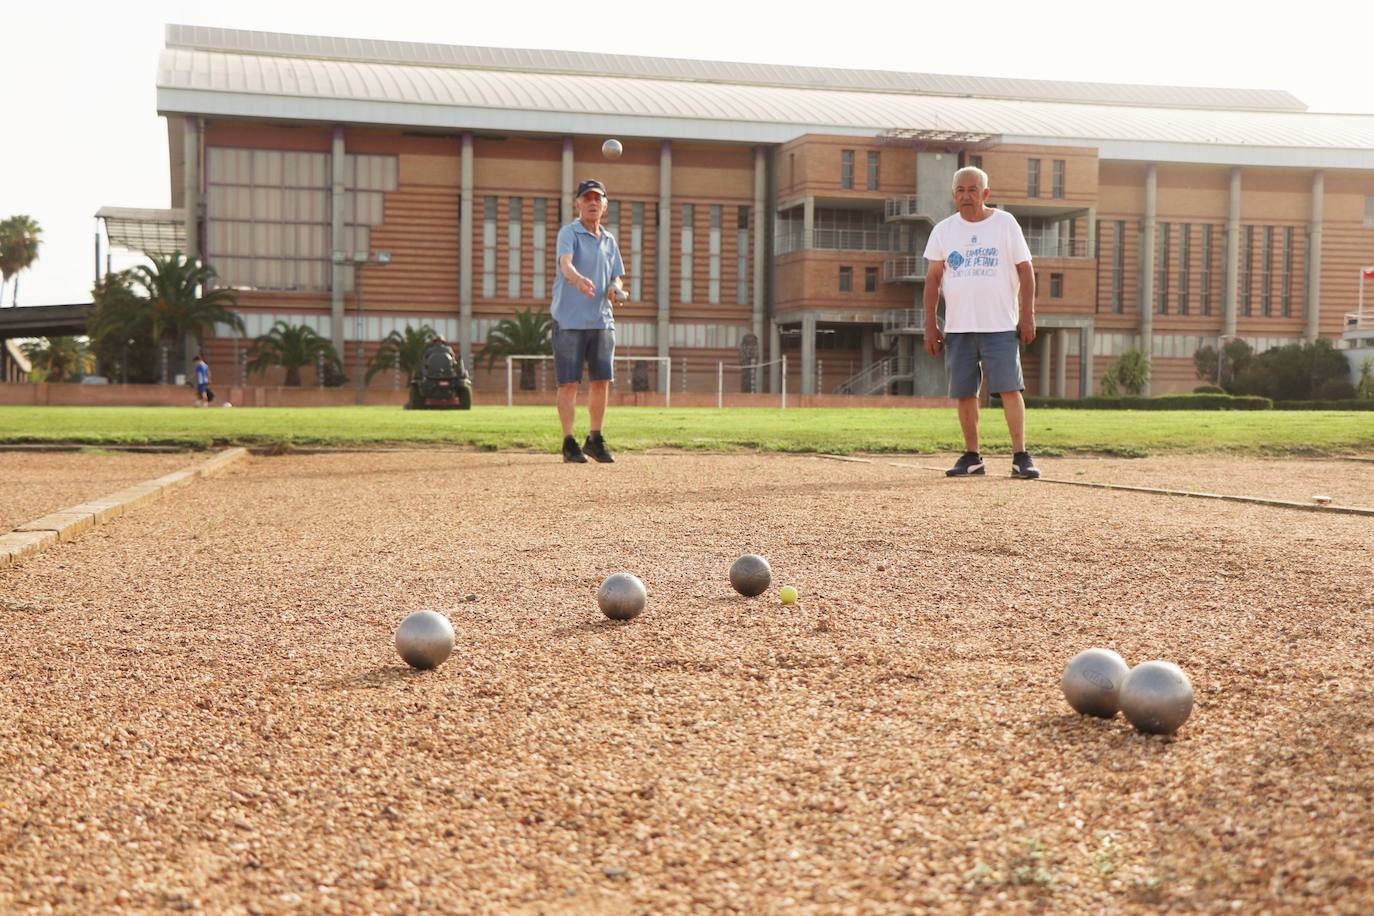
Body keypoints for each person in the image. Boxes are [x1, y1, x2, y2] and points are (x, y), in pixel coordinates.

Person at [922, 166, 1040, 479]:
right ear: (953, 195)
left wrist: (1027, 315)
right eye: (960, 190)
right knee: (964, 393)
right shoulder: (944, 231)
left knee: (1009, 389)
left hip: (1000, 324)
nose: (966, 195)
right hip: (959, 327)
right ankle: (972, 457)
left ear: (985, 193)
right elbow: (933, 280)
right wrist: (931, 325)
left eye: (973, 189)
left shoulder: (1005, 223)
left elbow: (1026, 271)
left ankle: (1021, 456)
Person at [550, 178, 625, 463]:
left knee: (601, 380)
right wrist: (578, 279)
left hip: (601, 320)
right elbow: (565, 264)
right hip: (569, 321)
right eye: (587, 198)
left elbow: (616, 274)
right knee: (569, 383)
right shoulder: (569, 233)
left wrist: (615, 288)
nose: (593, 202)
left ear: (605, 205)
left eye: (598, 198)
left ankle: (595, 438)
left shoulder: (609, 240)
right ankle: (569, 441)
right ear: (578, 203)